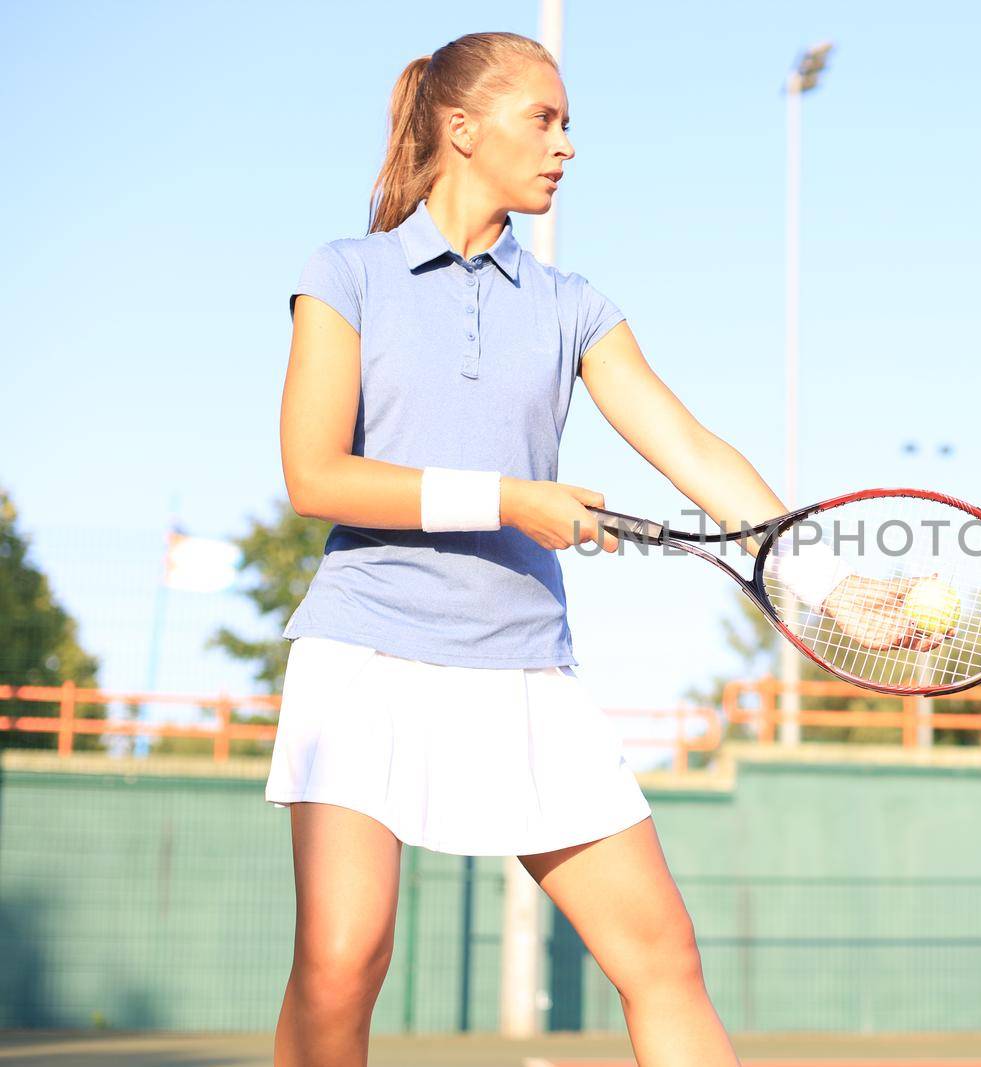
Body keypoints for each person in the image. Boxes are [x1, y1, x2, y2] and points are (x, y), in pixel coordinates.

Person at [263, 30, 812, 1067]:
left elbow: (688, 442)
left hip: (524, 668)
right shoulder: (346, 274)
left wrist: (804, 558)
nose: (565, 146)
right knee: (341, 958)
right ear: (461, 130)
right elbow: (314, 475)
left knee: (662, 960)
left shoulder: (573, 306)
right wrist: (512, 499)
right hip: (365, 652)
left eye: (569, 126)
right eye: (544, 120)